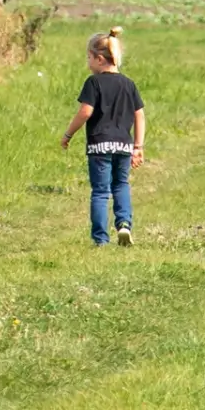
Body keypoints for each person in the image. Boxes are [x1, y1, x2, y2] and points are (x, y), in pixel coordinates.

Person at [59, 27, 146, 246]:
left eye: (89, 57)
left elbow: (85, 112)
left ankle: (100, 239)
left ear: (99, 59)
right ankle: (124, 224)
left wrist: (68, 134)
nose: (88, 63)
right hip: (124, 146)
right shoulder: (129, 84)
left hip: (100, 146)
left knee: (100, 191)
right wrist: (138, 146)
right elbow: (140, 116)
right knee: (121, 185)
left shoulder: (93, 82)